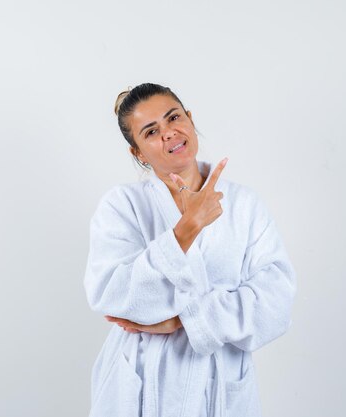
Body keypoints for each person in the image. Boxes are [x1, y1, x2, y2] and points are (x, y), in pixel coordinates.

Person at [83, 83, 297, 417]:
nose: (169, 134)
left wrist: (185, 320)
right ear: (138, 152)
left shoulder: (245, 205)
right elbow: (113, 293)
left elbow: (275, 304)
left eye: (174, 118)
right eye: (151, 131)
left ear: (190, 119)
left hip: (220, 386)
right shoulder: (122, 205)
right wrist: (187, 228)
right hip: (142, 385)